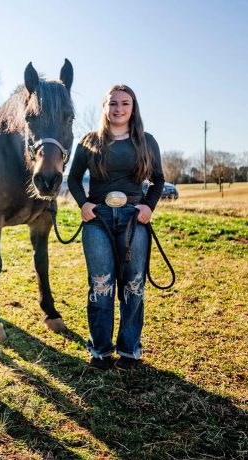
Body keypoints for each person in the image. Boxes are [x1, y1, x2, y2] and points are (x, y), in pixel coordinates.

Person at [67, 84, 164, 371]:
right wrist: (84, 205)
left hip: (134, 219)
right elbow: (73, 179)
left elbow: (158, 180)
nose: (118, 108)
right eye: (113, 103)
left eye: (125, 103)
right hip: (98, 219)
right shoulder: (89, 142)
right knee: (101, 285)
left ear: (133, 108)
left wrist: (148, 206)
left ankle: (129, 350)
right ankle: (100, 351)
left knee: (133, 285)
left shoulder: (146, 141)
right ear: (104, 107)